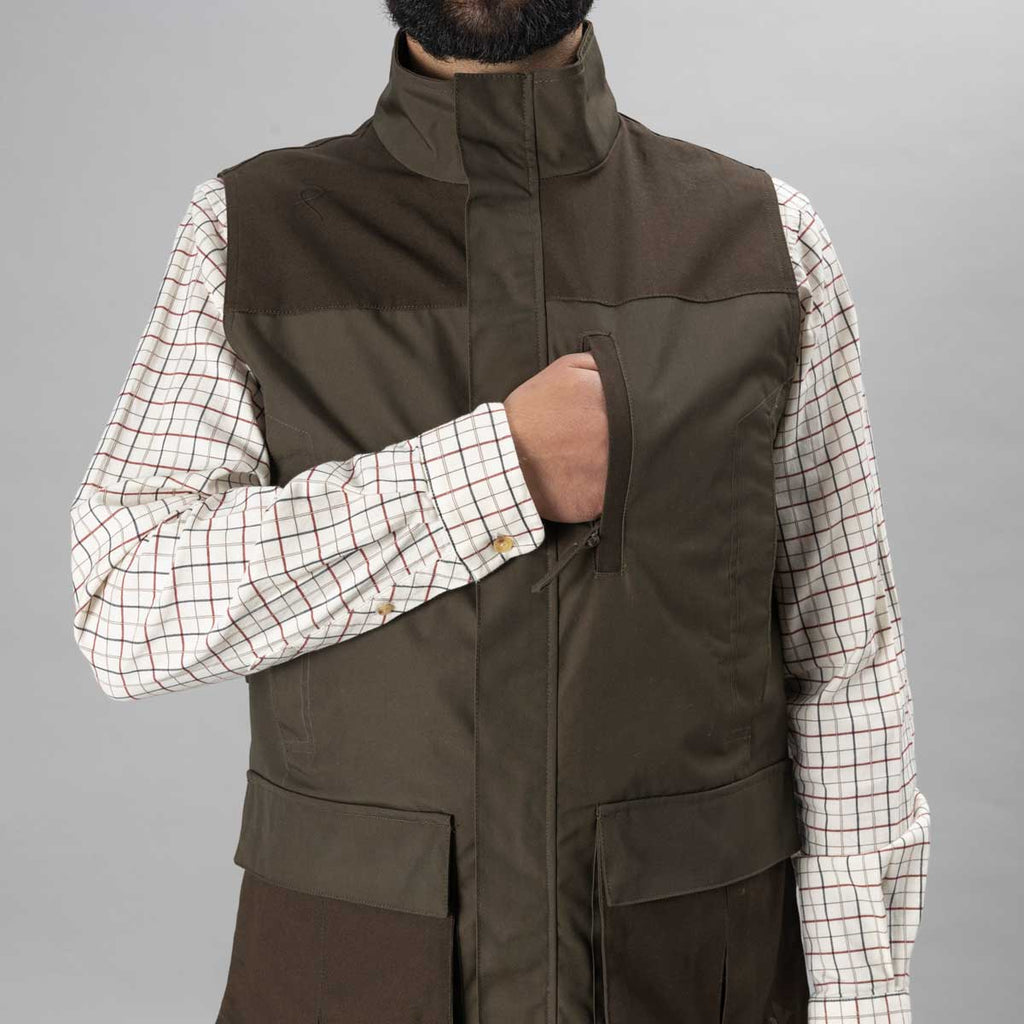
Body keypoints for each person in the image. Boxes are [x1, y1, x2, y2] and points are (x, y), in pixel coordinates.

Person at [68, 2, 931, 1022]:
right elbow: (125, 604)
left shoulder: (761, 243)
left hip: (687, 978)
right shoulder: (251, 234)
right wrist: (493, 472)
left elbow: (847, 667)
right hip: (354, 980)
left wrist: (863, 1007)